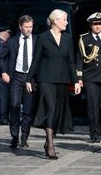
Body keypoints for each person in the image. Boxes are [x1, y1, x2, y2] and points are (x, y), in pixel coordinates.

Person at [26, 9, 81, 159]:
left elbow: (71, 61)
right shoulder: (43, 38)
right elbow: (36, 60)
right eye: (64, 20)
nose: (67, 22)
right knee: (50, 108)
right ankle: (50, 144)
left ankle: (48, 140)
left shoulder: (68, 38)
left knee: (56, 110)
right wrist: (29, 79)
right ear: (56, 21)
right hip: (45, 79)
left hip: (62, 79)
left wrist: (75, 81)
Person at [76, 12, 101, 143]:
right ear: (90, 25)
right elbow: (80, 59)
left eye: (100, 24)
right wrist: (79, 77)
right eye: (95, 24)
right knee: (92, 106)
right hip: (91, 76)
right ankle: (94, 133)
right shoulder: (85, 39)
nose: (98, 26)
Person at [0, 16, 36, 149]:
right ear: (20, 26)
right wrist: (4, 72)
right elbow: (1, 57)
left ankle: (24, 137)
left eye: (31, 27)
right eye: (26, 27)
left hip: (31, 77)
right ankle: (14, 135)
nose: (29, 30)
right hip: (16, 76)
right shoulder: (13, 41)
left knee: (28, 109)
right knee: (14, 105)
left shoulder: (36, 40)